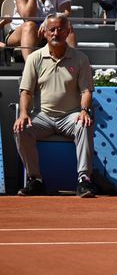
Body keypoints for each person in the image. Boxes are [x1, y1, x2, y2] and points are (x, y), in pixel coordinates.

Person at [13, 14, 96, 198]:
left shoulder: (81, 59)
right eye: (52, 29)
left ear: (68, 32)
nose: (56, 33)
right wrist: (24, 113)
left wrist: (84, 111)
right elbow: (26, 91)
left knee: (84, 123)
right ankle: (35, 180)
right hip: (43, 116)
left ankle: (84, 180)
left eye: (60, 29)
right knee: (21, 128)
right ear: (44, 32)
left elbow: (86, 92)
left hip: (70, 116)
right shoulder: (34, 58)